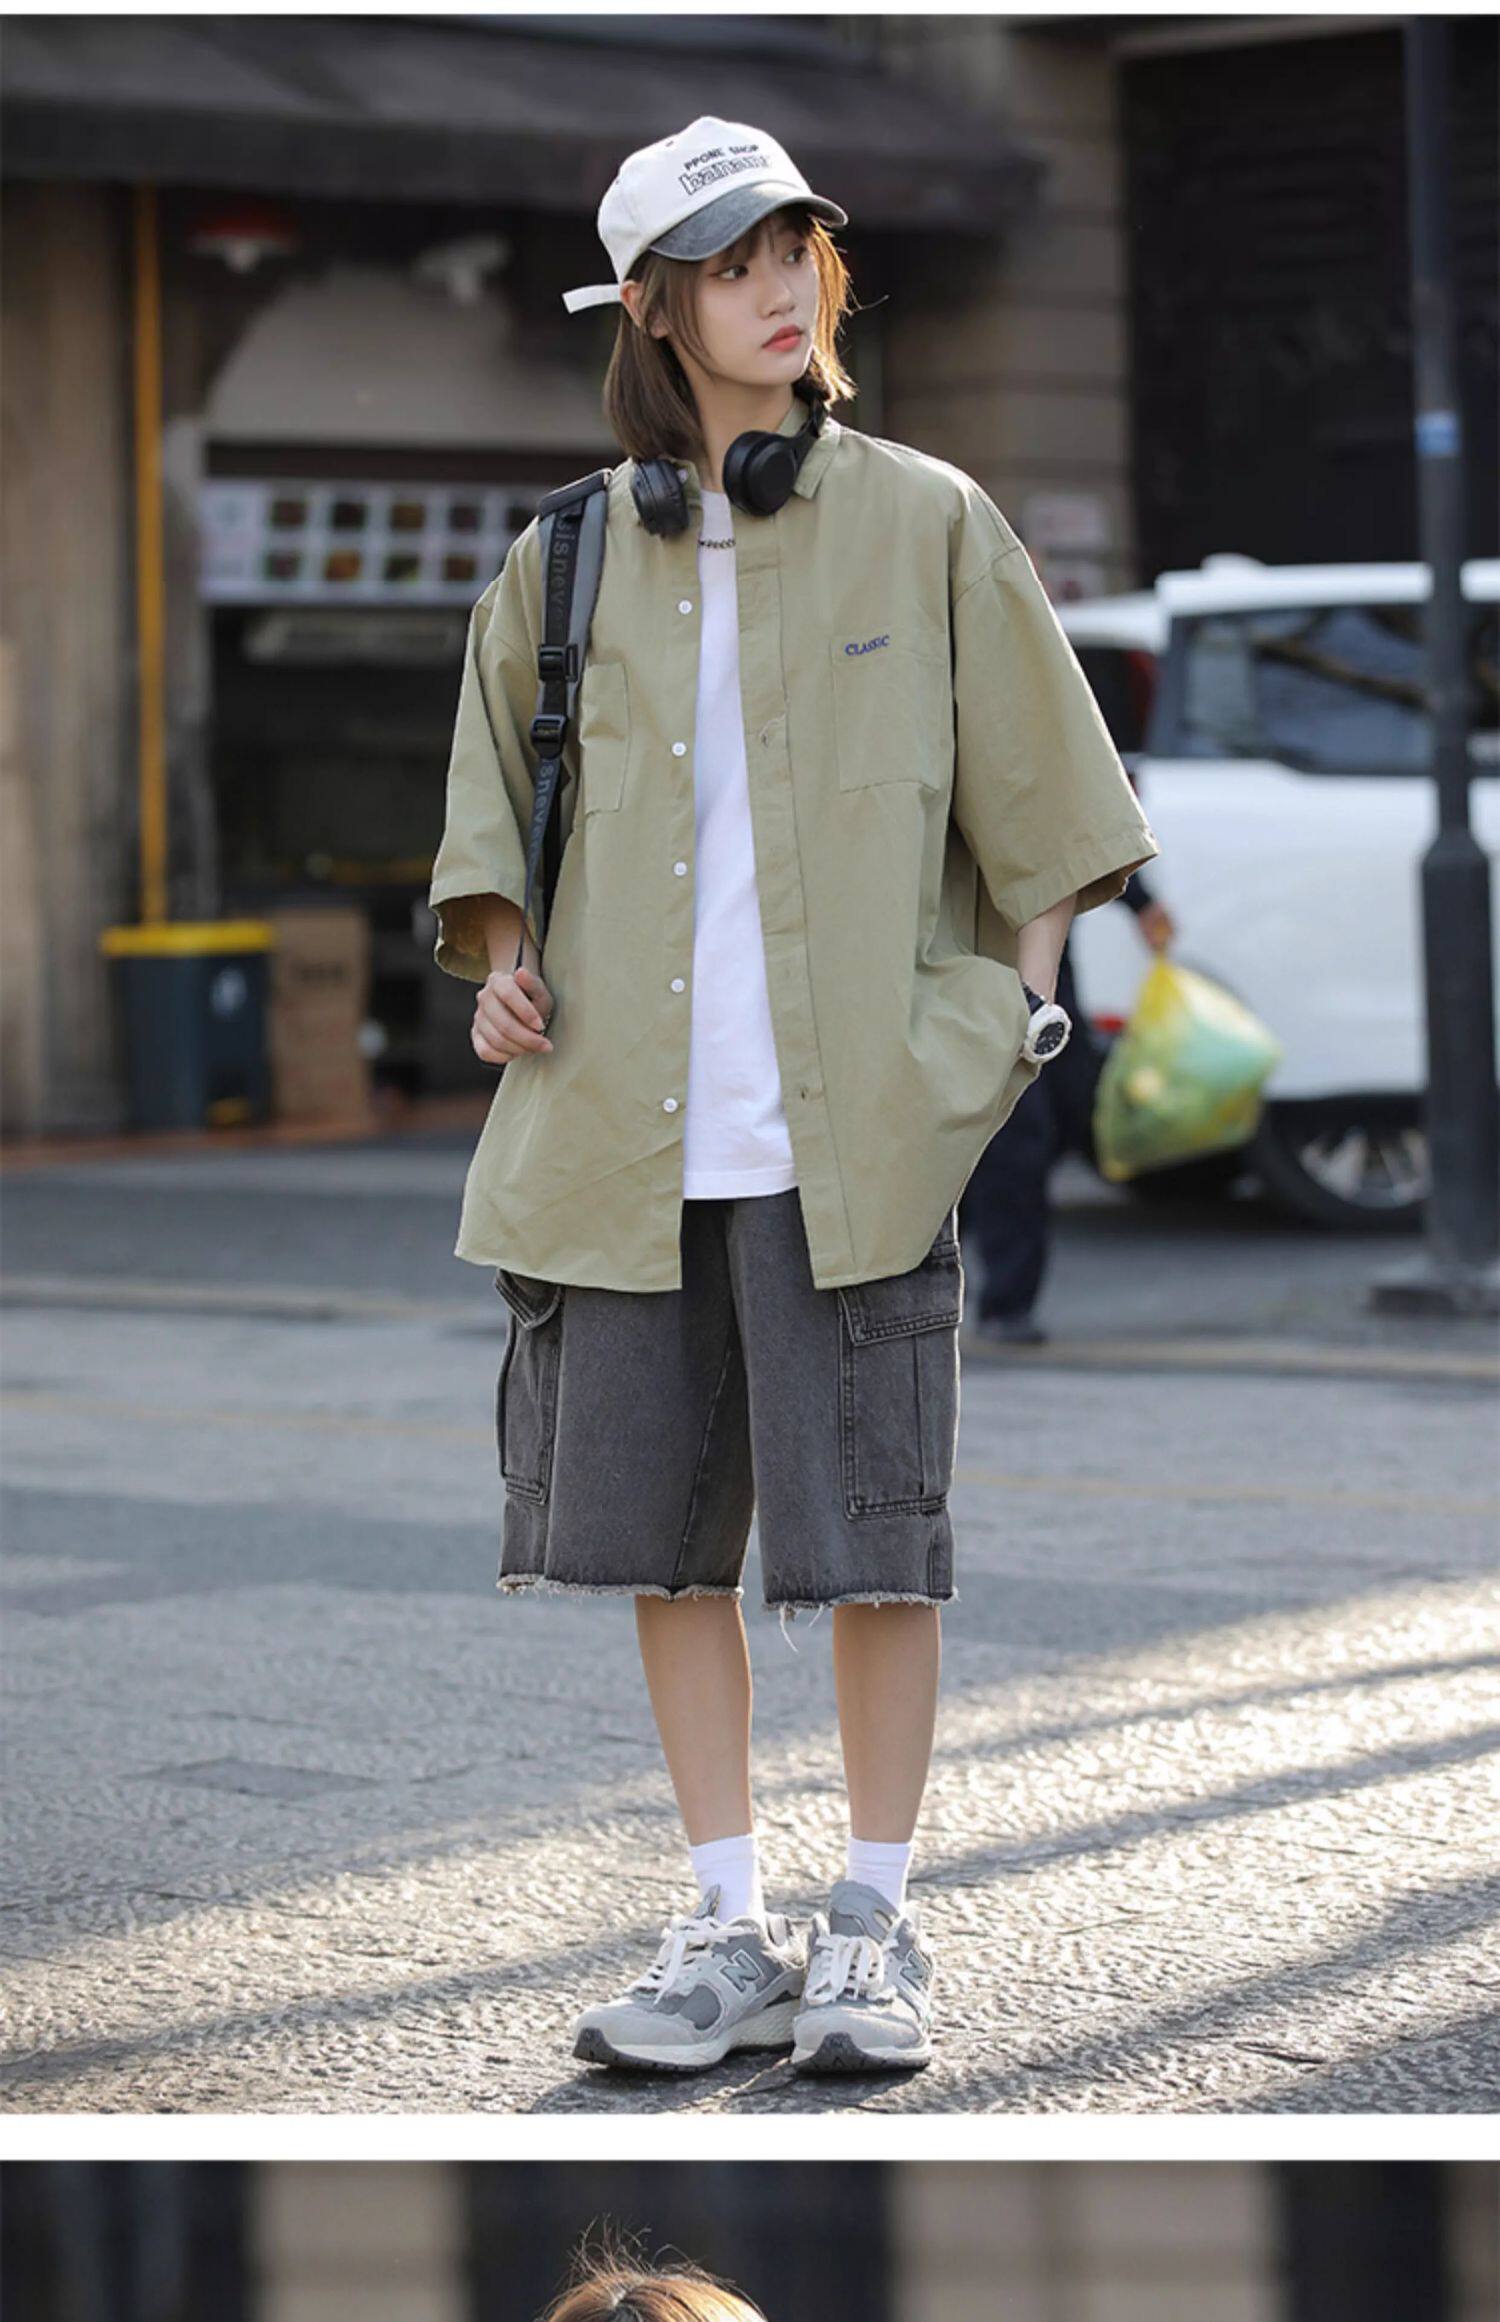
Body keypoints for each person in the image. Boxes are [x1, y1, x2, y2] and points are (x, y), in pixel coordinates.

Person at [428, 114, 1160, 2076]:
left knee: (874, 1548)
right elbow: (493, 833)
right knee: (666, 1549)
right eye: (733, 262)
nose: (778, 288)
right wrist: (502, 968)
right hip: (624, 1139)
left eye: (794, 253)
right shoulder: (562, 557)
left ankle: (875, 1924)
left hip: (859, 1141)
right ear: (653, 308)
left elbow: (1054, 813)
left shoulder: (929, 520)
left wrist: (998, 1033)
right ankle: (724, 1924)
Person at [963, 866, 1177, 1344]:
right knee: (1019, 1140)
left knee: (1067, 1112)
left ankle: (962, 1247)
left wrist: (1140, 900)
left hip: (1048, 968)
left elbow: (1076, 835)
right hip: (985, 960)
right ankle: (1005, 1302)